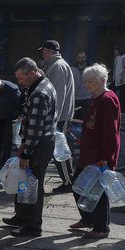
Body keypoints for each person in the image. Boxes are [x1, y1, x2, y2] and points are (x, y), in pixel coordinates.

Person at [1, 58, 56, 237]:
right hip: (34, 143)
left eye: (21, 78)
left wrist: (26, 153)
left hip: (39, 146)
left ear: (32, 73)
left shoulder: (40, 93)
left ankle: (33, 225)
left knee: (33, 185)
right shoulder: (40, 85)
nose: (19, 82)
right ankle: (21, 216)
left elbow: (35, 129)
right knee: (23, 181)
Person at [69, 63, 121, 239]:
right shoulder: (96, 98)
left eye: (90, 81)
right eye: (85, 81)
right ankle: (87, 218)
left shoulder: (107, 99)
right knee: (77, 184)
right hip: (88, 153)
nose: (86, 85)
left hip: (100, 156)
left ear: (101, 80)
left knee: (98, 191)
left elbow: (110, 132)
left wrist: (106, 158)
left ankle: (101, 227)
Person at [39, 40, 75, 192]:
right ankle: (68, 180)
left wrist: (53, 119)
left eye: (43, 51)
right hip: (58, 116)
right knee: (58, 150)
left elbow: (58, 95)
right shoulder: (56, 65)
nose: (42, 54)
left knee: (60, 151)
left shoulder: (58, 66)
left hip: (58, 117)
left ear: (48, 51)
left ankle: (69, 182)